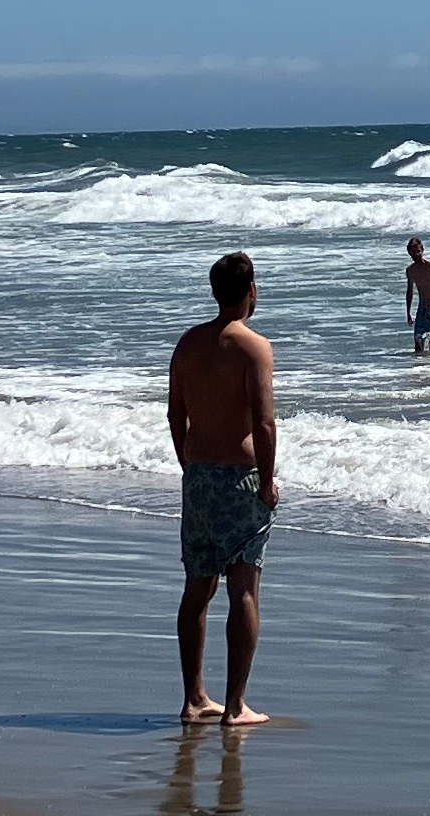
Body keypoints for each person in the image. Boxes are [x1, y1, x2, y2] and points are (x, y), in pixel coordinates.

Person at [168, 251, 278, 727]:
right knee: (244, 589)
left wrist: (188, 463)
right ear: (252, 290)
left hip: (199, 477)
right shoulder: (254, 347)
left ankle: (194, 698)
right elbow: (264, 422)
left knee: (198, 587)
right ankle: (235, 706)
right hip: (240, 479)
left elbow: (175, 414)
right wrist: (267, 481)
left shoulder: (189, 343)